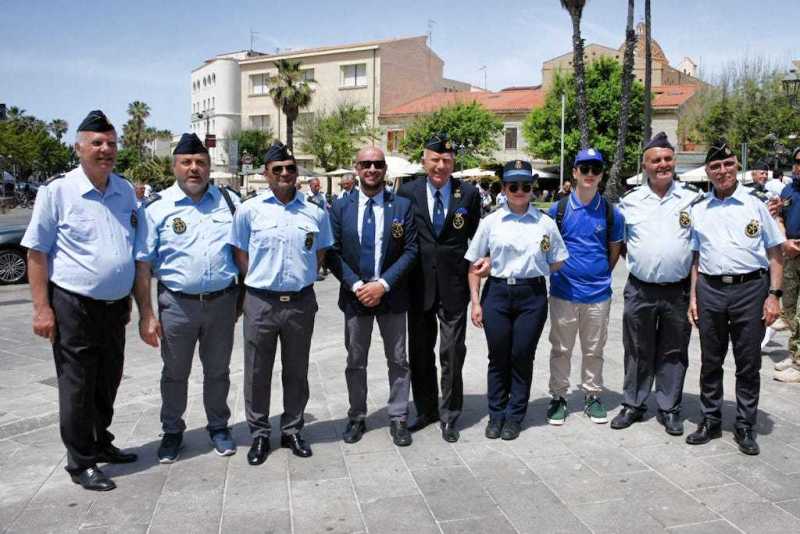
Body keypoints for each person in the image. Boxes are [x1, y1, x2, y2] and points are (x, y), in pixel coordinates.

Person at [21, 110, 138, 491]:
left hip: (115, 306)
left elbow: (131, 249)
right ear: (79, 147)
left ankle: (100, 441)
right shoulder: (57, 191)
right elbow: (36, 254)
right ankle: (81, 462)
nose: (106, 150)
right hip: (74, 304)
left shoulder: (124, 191)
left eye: (111, 143)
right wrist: (42, 309)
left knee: (108, 379)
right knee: (77, 384)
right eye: (97, 143)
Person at [133, 133, 240, 463]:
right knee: (175, 372)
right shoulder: (156, 208)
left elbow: (242, 253)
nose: (194, 168)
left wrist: (242, 299)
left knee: (218, 371)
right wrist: (147, 313)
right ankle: (172, 431)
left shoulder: (230, 201)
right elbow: (143, 264)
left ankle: (219, 427)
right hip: (177, 305)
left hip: (222, 302)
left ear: (208, 167)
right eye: (187, 162)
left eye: (200, 163)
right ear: (174, 166)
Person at [229, 141, 333, 465]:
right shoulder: (249, 210)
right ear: (266, 174)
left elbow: (321, 251)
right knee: (257, 371)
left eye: (290, 168)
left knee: (297, 370)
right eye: (278, 169)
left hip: (300, 302)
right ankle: (259, 433)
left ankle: (292, 429)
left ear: (296, 172)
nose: (285, 174)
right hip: (261, 301)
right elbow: (240, 251)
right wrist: (258, 280)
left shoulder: (314, 211)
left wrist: (302, 276)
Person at [687, 141, 784, 456]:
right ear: (708, 172)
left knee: (748, 363)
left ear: (736, 166)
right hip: (711, 290)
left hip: (750, 291)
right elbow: (696, 257)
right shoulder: (699, 208)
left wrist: (774, 295)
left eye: (727, 164)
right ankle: (711, 419)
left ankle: (744, 425)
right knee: (710, 361)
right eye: (715, 167)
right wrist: (693, 296)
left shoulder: (756, 204)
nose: (722, 171)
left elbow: (775, 252)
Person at [466, 160, 567, 440]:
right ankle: (496, 414)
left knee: (522, 356)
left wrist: (537, 266)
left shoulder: (545, 223)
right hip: (497, 293)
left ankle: (514, 416)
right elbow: (474, 264)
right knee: (498, 356)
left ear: (532, 188)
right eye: (513, 186)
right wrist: (476, 301)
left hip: (531, 295)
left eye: (525, 185)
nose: (520, 191)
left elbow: (558, 260)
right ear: (504, 188)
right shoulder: (490, 222)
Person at [326, 147, 418, 446]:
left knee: (399, 360)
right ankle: (357, 415)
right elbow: (333, 252)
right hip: (355, 297)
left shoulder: (402, 206)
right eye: (366, 163)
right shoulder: (340, 208)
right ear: (356, 168)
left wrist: (383, 284)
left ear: (384, 169)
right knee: (356, 361)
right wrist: (357, 286)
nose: (372, 169)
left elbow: (411, 250)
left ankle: (398, 417)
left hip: (391, 296)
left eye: (378, 164)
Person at [612, 132, 702, 435]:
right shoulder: (630, 202)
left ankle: (669, 407)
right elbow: (621, 244)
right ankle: (634, 404)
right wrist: (645, 263)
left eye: (667, 159)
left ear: (673, 161)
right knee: (637, 348)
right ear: (645, 165)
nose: (662, 165)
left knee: (674, 351)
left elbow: (699, 248)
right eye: (656, 160)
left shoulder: (692, 199)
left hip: (677, 291)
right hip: (641, 289)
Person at [397, 133, 482, 442]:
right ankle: (426, 408)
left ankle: (450, 414)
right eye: (435, 160)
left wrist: (483, 262)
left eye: (446, 160)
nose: (441, 166)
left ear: (453, 162)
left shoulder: (469, 193)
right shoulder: (407, 193)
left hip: (454, 286)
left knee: (452, 352)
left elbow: (477, 238)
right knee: (420, 352)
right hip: (418, 286)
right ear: (424, 161)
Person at [545, 148, 623, 426]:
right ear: (575, 172)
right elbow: (550, 250)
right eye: (585, 169)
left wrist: (596, 275)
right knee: (561, 349)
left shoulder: (612, 213)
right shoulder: (559, 209)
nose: (590, 174)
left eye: (596, 169)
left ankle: (592, 395)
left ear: (601, 174)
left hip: (598, 295)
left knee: (594, 350)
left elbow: (614, 253)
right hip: (564, 293)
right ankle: (558, 397)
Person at [776, 148, 800, 382]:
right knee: (790, 309)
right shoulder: (788, 189)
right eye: (797, 161)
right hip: (791, 252)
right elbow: (780, 216)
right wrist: (784, 240)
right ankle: (794, 352)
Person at [307, 177, 330, 279]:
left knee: (321, 250)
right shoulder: (305, 197)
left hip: (321, 226)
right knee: (310, 249)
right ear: (310, 185)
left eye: (318, 185)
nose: (317, 187)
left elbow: (325, 210)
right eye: (315, 185)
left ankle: (316, 272)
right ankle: (310, 272)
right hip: (310, 226)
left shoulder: (322, 197)